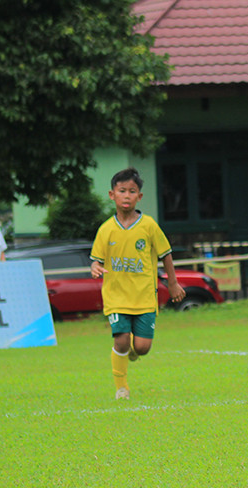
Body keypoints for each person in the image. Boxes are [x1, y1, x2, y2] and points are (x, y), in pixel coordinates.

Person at [90, 168, 186, 400]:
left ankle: (132, 350)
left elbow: (166, 254)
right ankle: (121, 388)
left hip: (144, 296)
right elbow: (96, 259)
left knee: (142, 348)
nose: (127, 195)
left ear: (139, 197)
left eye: (132, 191)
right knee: (121, 340)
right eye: (122, 191)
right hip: (116, 296)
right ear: (112, 195)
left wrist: (172, 284)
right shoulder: (106, 229)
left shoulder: (149, 226)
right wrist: (94, 267)